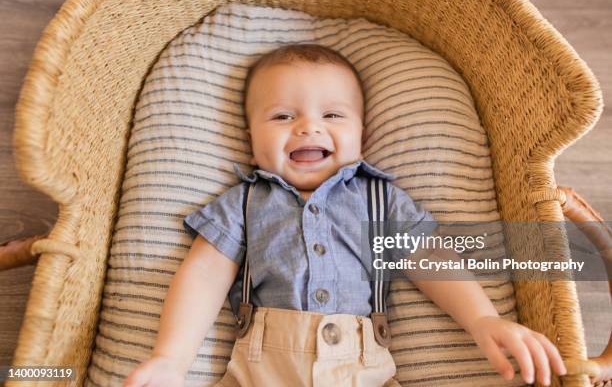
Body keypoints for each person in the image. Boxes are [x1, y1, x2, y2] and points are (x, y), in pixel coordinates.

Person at [123, 43, 567, 387]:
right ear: (250, 138)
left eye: (332, 114)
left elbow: (430, 258)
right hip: (263, 369)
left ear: (362, 136)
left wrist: (482, 319)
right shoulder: (244, 202)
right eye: (281, 116)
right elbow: (202, 276)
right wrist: (172, 357)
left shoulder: (381, 200)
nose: (308, 127)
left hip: (362, 369)